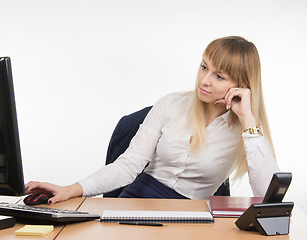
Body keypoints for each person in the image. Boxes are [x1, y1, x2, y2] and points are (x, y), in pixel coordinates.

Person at [25, 36, 279, 204]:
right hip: (136, 200)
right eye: (204, 67)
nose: (204, 80)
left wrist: (247, 118)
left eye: (219, 76)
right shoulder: (170, 104)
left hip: (191, 215)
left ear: (241, 85)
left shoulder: (247, 130)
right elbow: (127, 166)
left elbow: (268, 195)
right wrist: (70, 189)